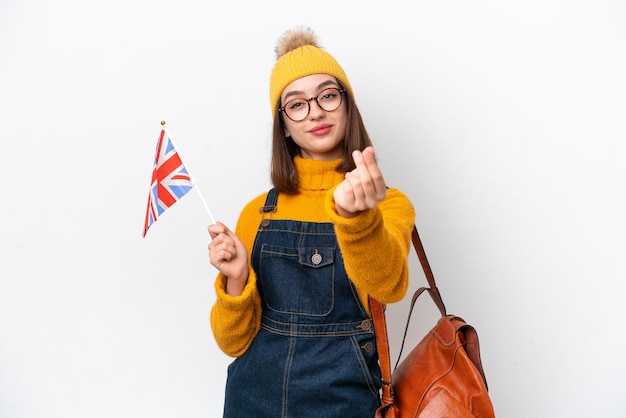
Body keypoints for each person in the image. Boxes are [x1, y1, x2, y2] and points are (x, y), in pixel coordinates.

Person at [208, 26, 415, 417]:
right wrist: (236, 280)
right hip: (253, 400)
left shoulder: (388, 204)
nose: (315, 111)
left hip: (345, 401)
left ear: (347, 105)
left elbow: (389, 286)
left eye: (328, 95)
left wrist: (358, 219)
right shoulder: (259, 212)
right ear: (283, 125)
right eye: (297, 104)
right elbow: (232, 343)